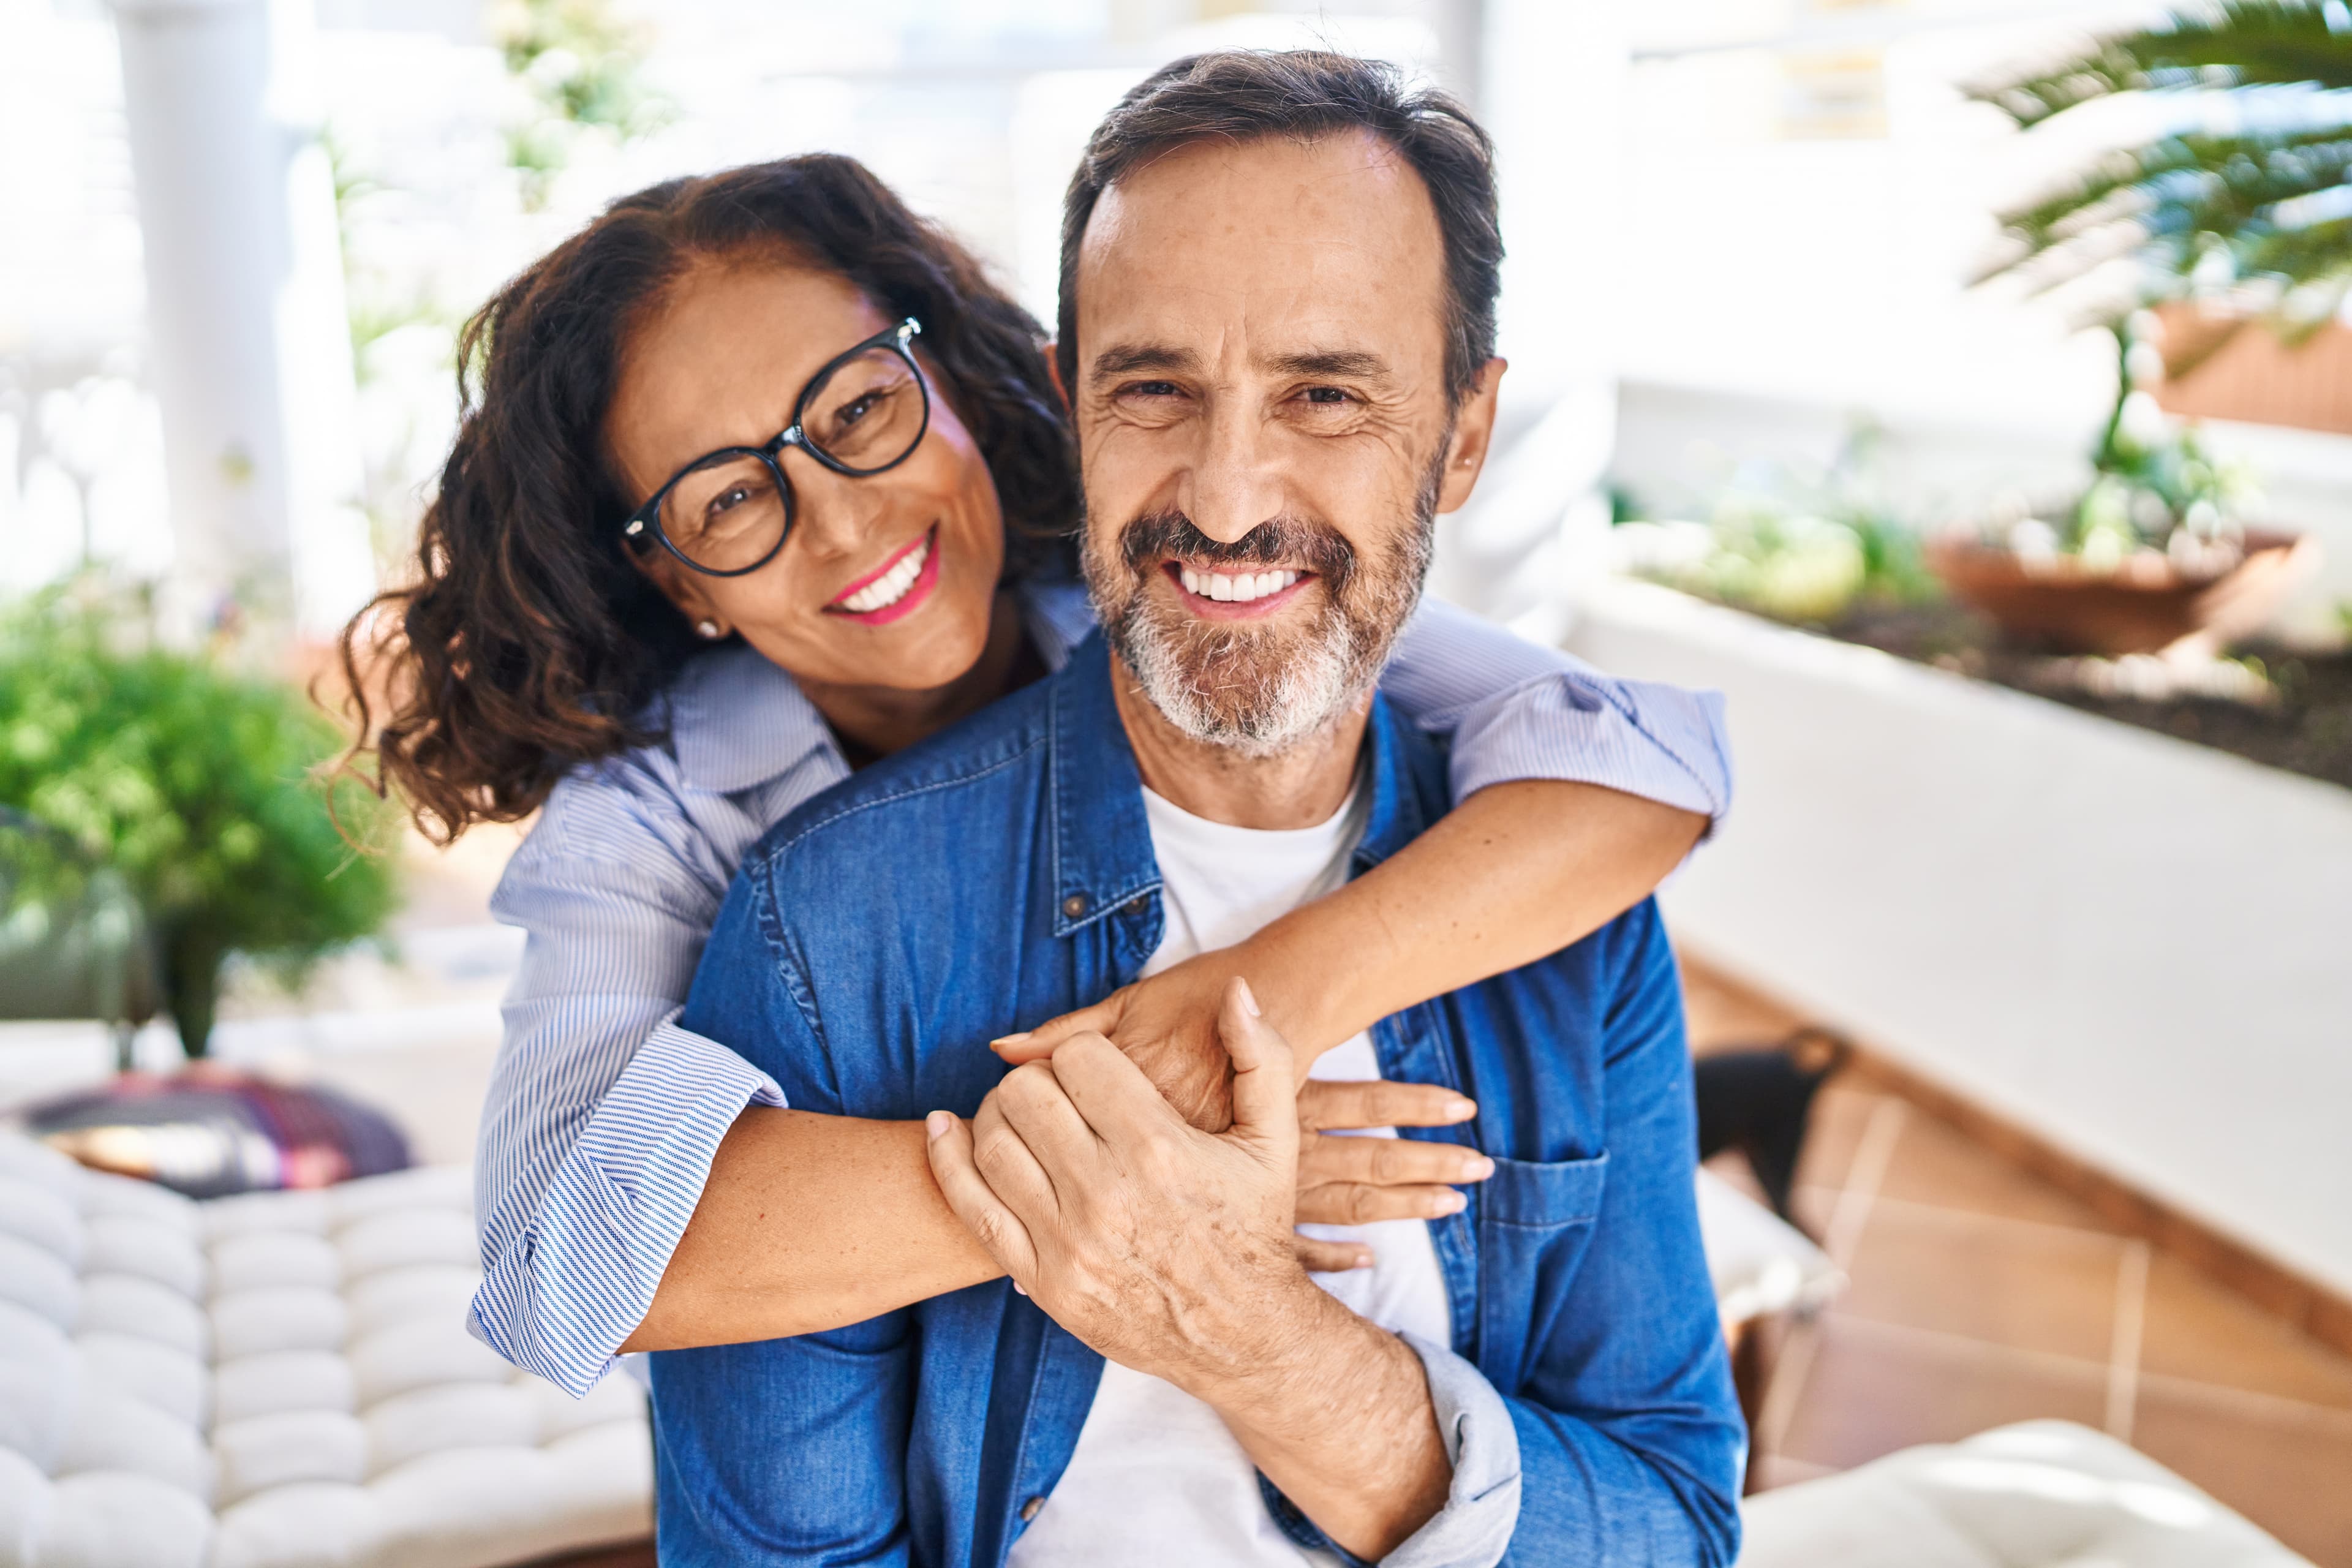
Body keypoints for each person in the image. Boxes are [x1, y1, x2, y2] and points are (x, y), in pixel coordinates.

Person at [342, 93, 1730, 1400]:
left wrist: (1259, 1001)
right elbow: (550, 1257)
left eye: (857, 414)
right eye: (726, 501)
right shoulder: (654, 819)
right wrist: (1146, 1171)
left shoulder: (1170, 583)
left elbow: (1639, 762)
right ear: (678, 580)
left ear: (940, 370)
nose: (841, 521)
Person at [656, 50, 1743, 1566]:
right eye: (1156, 388)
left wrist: (1249, 1334)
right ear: (1069, 407)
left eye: (1326, 393)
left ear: (1465, 434)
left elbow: (1678, 1527)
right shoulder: (834, 924)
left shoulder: (1568, 910)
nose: (1227, 499)